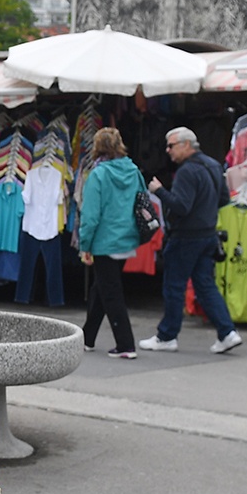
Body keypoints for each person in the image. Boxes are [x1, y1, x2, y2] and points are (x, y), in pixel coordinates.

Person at [142, 126, 241, 354]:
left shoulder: (187, 171)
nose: (167, 150)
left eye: (171, 145)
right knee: (205, 285)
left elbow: (181, 206)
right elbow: (224, 198)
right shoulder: (214, 165)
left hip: (186, 237)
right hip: (207, 234)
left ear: (187, 145)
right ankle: (227, 332)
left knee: (174, 286)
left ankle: (167, 336)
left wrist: (159, 191)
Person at [77, 126, 145, 359]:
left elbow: (91, 215)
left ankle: (126, 344)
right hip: (126, 239)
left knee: (111, 292)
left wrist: (84, 245)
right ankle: (87, 337)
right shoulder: (133, 170)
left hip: (105, 241)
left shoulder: (99, 174)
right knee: (102, 287)